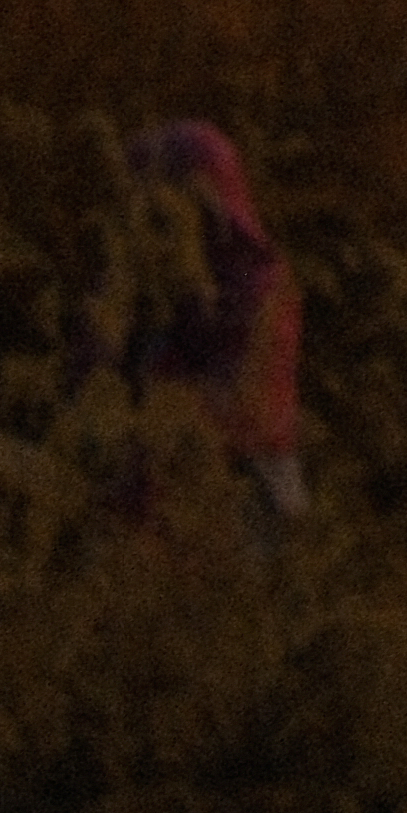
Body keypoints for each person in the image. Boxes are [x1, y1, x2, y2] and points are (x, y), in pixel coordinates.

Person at [106, 117, 307, 526]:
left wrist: (161, 403)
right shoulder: (150, 285)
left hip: (247, 493)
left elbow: (253, 411)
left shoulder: (258, 288)